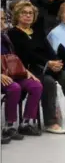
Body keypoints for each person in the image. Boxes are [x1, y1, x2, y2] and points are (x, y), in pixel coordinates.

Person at [8, 0, 65, 134]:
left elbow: (48, 49)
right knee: (48, 82)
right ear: (17, 15)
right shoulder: (13, 33)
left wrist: (56, 62)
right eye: (24, 13)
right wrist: (47, 63)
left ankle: (60, 114)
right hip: (27, 69)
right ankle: (50, 122)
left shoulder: (37, 31)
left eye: (30, 13)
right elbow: (25, 55)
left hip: (45, 66)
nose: (28, 16)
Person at [1, 9, 43, 143]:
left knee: (36, 85)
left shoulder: (4, 36)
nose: (1, 22)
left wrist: (26, 71)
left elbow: (13, 58)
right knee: (14, 88)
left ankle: (26, 123)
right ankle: (9, 125)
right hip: (2, 75)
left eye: (2, 19)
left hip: (11, 71)